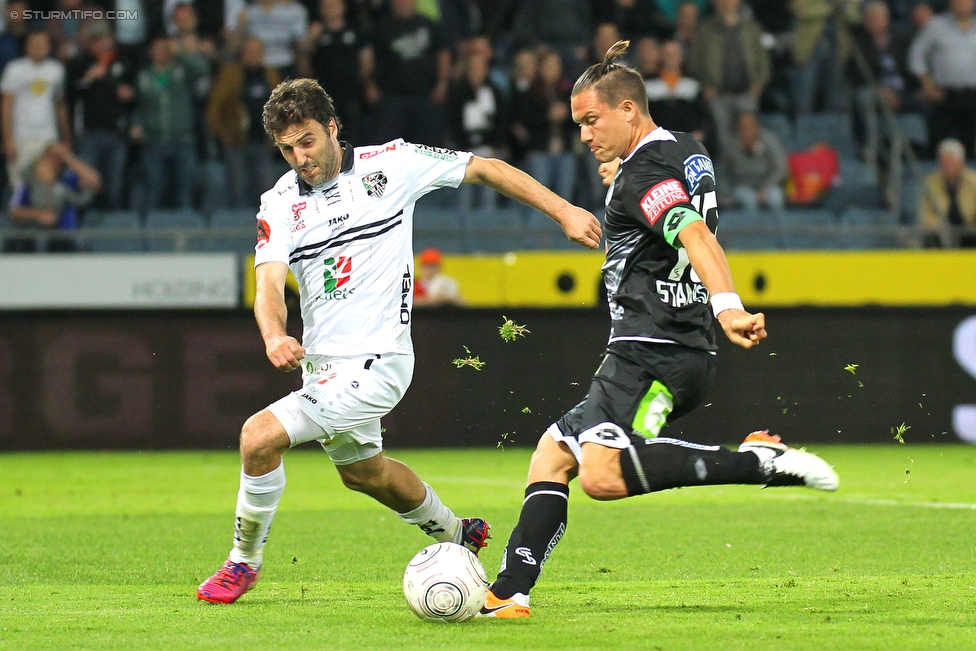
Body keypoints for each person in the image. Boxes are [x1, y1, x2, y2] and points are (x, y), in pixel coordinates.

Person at [195, 78, 602, 605]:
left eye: (308, 141)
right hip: (324, 368)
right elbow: (269, 285)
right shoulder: (278, 204)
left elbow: (484, 168)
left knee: (257, 438)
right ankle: (459, 533)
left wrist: (564, 211)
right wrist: (274, 333)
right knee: (366, 475)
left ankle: (241, 564)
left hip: (381, 362)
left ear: (333, 128)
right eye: (288, 149)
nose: (301, 158)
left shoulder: (394, 163)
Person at [480, 41, 838, 619]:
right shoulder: (686, 150)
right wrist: (618, 176)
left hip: (653, 352)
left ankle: (756, 462)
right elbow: (663, 201)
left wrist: (728, 306)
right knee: (553, 455)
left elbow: (692, 231)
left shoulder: (642, 173)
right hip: (674, 348)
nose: (584, 135)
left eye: (592, 120)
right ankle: (509, 591)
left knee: (601, 475)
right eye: (578, 125)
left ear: (628, 110)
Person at [66, 21, 136, 209]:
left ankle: (114, 230)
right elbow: (70, 95)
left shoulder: (124, 61)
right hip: (89, 133)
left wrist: (129, 93)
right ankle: (85, 228)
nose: (99, 44)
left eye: (103, 38)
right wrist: (88, 79)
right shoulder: (79, 63)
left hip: (116, 132)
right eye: (94, 40)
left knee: (114, 185)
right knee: (87, 184)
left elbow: (135, 93)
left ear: (110, 39)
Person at [206, 37, 282, 208]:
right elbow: (215, 107)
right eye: (249, 51)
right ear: (242, 54)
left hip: (263, 141)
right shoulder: (230, 74)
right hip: (236, 141)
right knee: (237, 189)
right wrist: (223, 134)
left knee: (267, 190)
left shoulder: (270, 74)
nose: (253, 55)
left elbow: (282, 106)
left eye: (257, 51)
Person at [1, 31, 72, 187]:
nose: (39, 47)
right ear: (27, 46)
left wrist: (66, 138)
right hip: (22, 137)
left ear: (49, 47)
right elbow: (6, 107)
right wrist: (7, 140)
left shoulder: (56, 69)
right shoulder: (14, 69)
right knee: (20, 186)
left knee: (48, 184)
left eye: (43, 44)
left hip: (49, 136)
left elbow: (59, 105)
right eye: (35, 44)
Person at [908, 0, 976, 159]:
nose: (962, 4)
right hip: (944, 93)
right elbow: (916, 55)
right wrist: (927, 83)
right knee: (940, 141)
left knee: (970, 142)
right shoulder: (936, 25)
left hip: (973, 94)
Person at [5, 141, 101, 252]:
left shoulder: (67, 178)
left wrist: (70, 159)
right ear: (45, 157)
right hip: (34, 234)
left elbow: (96, 182)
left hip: (64, 235)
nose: (55, 161)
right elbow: (14, 212)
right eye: (53, 157)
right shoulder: (29, 180)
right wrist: (39, 214)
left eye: (59, 158)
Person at [722, 111, 788, 212]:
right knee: (749, 199)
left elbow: (780, 168)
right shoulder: (731, 145)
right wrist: (725, 193)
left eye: (749, 127)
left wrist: (764, 188)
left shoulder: (769, 141)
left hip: (767, 184)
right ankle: (751, 228)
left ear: (757, 127)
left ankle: (779, 227)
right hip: (741, 187)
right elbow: (723, 172)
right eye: (743, 128)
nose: (746, 131)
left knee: (776, 197)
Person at [920, 138, 976, 247]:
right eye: (944, 162)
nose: (948, 167)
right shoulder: (931, 183)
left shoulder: (973, 181)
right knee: (930, 240)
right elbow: (925, 212)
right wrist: (938, 226)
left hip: (969, 229)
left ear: (960, 162)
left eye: (951, 162)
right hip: (942, 231)